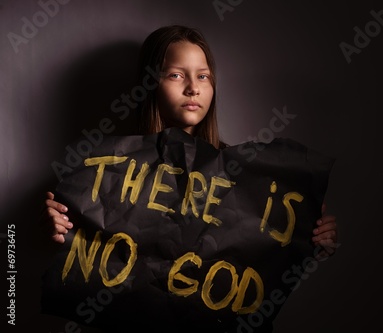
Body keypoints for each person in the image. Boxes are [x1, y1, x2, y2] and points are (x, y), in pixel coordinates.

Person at [41, 24, 338, 330]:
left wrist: (310, 238)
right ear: (150, 82)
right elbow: (84, 258)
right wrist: (58, 229)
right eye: (176, 75)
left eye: (203, 76)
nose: (193, 88)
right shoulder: (104, 172)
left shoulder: (244, 179)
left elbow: (261, 259)